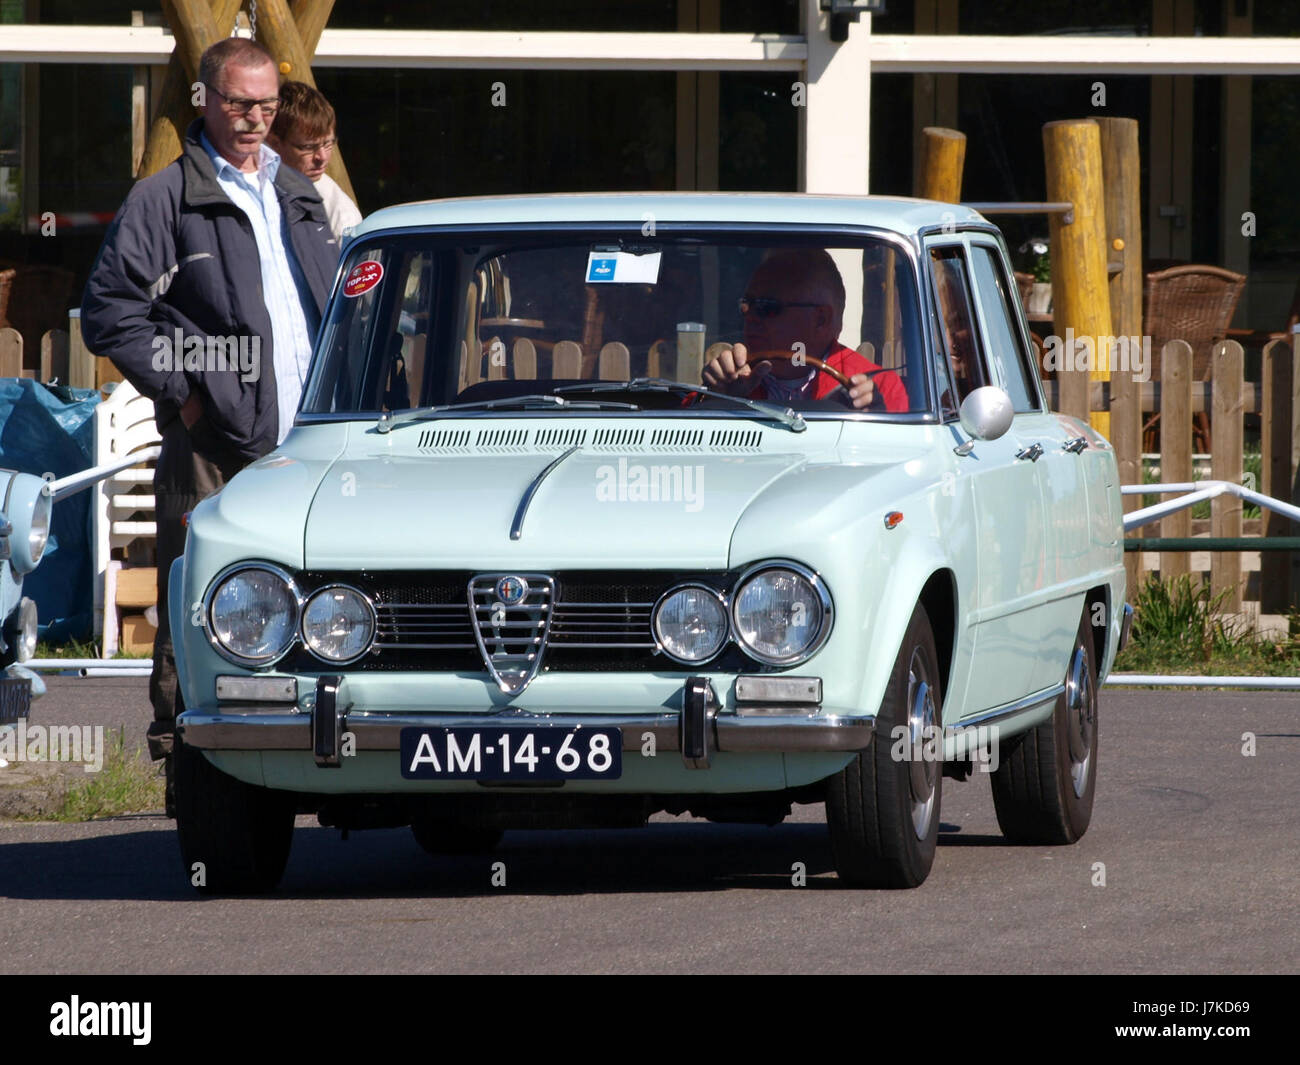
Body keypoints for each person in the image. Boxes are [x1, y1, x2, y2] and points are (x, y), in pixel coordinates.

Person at [80, 37, 338, 816]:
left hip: (317, 442)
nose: (254, 118)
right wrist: (189, 392)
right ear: (204, 101)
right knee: (201, 605)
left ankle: (322, 749)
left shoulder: (299, 191)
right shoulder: (166, 197)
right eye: (237, 103)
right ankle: (193, 778)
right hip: (219, 447)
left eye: (265, 104)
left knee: (325, 597)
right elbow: (108, 312)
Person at [701, 248, 909, 411]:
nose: (751, 317)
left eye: (767, 306)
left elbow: (902, 455)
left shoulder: (878, 388)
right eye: (747, 304)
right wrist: (717, 397)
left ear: (821, 318)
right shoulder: (732, 377)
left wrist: (874, 419)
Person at [267, 80, 361, 240]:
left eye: (328, 144)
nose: (322, 157)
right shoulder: (244, 186)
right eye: (308, 147)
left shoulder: (341, 215)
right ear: (274, 143)